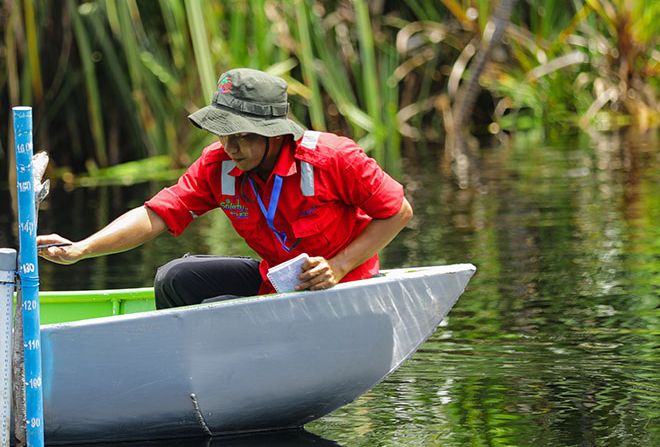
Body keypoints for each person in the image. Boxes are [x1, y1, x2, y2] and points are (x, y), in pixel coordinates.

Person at [38, 68, 413, 309]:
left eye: (244, 136)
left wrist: (338, 265)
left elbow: (398, 211)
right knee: (175, 278)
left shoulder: (333, 158)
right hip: (278, 283)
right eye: (223, 134)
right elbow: (157, 214)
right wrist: (82, 248)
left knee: (217, 302)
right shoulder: (218, 165)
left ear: (275, 134)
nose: (231, 148)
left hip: (341, 287)